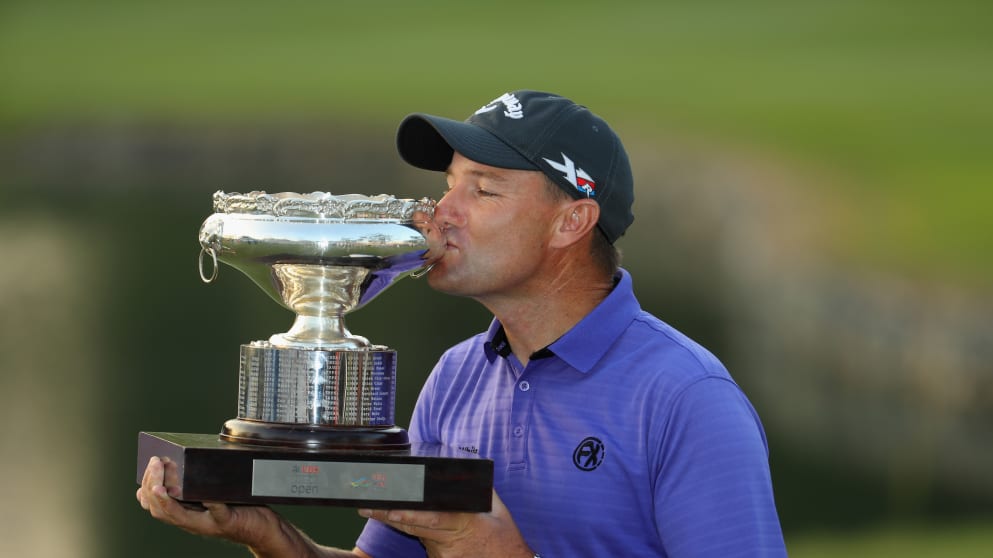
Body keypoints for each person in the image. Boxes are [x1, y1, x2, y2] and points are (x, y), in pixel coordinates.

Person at [138, 90, 787, 557]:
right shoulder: (457, 375)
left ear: (571, 222)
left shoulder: (686, 398)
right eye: (450, 183)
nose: (440, 211)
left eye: (482, 189)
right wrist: (267, 535)